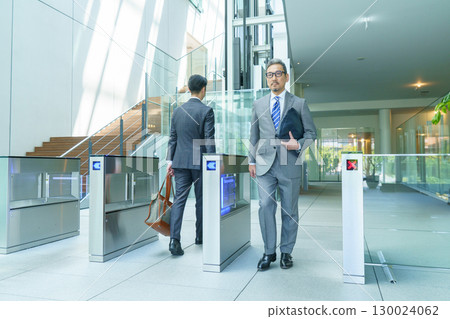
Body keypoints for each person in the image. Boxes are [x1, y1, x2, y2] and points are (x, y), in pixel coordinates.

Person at [248, 58, 317, 270]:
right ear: (266, 79)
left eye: (278, 74)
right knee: (265, 206)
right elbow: (253, 135)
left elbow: (312, 134)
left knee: (289, 211)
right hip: (264, 165)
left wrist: (298, 145)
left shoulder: (299, 103)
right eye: (269, 74)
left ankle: (286, 251)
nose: (273, 78)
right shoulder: (258, 104)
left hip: (290, 164)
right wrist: (251, 160)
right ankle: (269, 252)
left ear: (286, 77)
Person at [166, 74, 216, 256]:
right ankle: (199, 236)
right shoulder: (206, 111)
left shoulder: (178, 111)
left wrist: (170, 161)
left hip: (179, 161)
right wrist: (213, 163)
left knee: (179, 200)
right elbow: (208, 140)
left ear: (188, 89)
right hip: (199, 163)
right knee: (201, 200)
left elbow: (173, 138)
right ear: (203, 89)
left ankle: (174, 240)